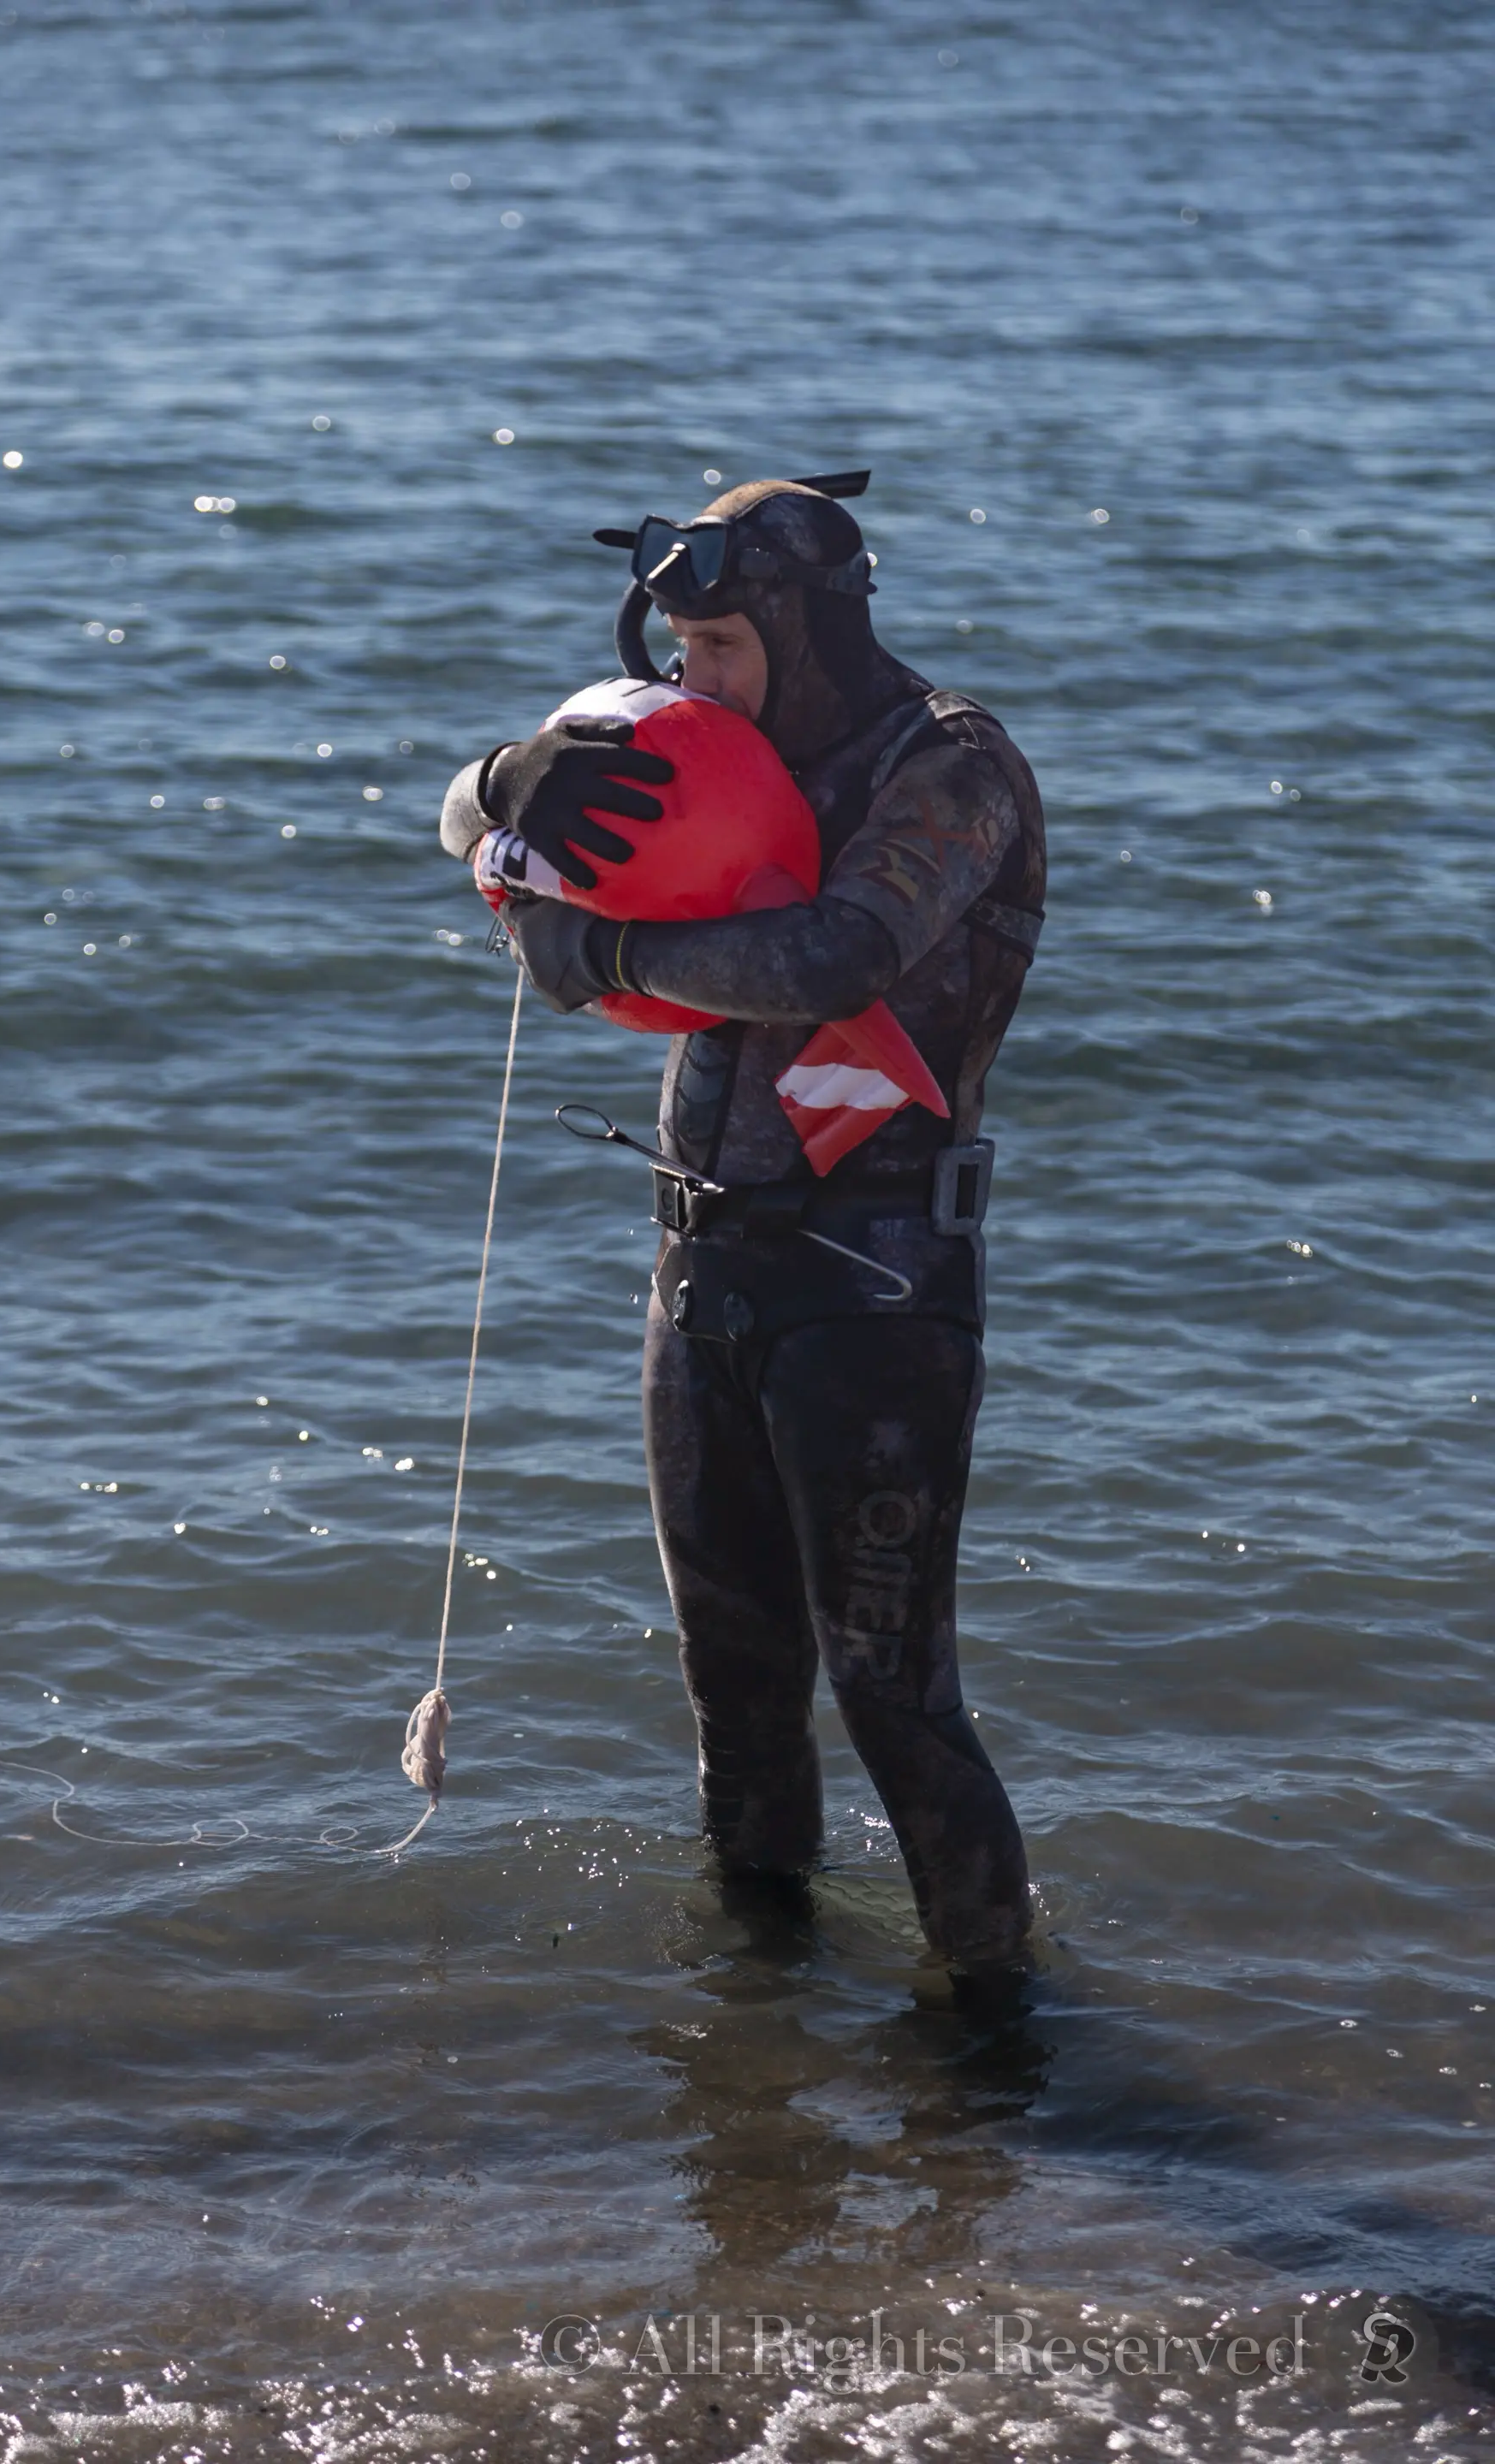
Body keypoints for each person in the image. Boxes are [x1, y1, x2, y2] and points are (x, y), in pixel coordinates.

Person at [438, 473, 1046, 1972]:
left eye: (723, 648)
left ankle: (998, 2041)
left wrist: (603, 954)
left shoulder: (950, 765)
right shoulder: (703, 741)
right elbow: (467, 825)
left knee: (893, 1697)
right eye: (680, 647)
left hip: (876, 1284)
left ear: (808, 628)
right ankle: (757, 2029)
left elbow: (837, 956)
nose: (693, 679)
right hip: (701, 1269)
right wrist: (508, 781)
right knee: (733, 1687)